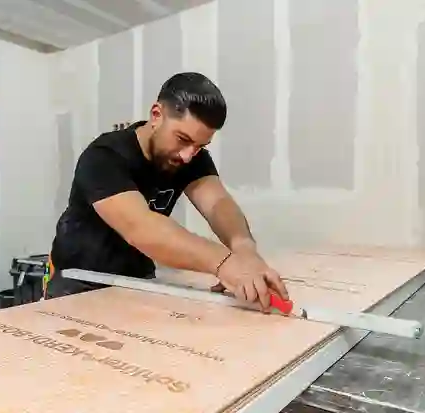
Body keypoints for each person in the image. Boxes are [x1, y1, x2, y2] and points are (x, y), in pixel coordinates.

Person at [48, 72, 289, 311]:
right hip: (78, 280)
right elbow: (141, 228)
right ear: (156, 115)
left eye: (199, 146)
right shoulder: (104, 156)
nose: (188, 155)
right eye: (182, 139)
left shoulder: (192, 157)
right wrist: (225, 263)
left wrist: (245, 250)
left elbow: (217, 203)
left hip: (137, 280)